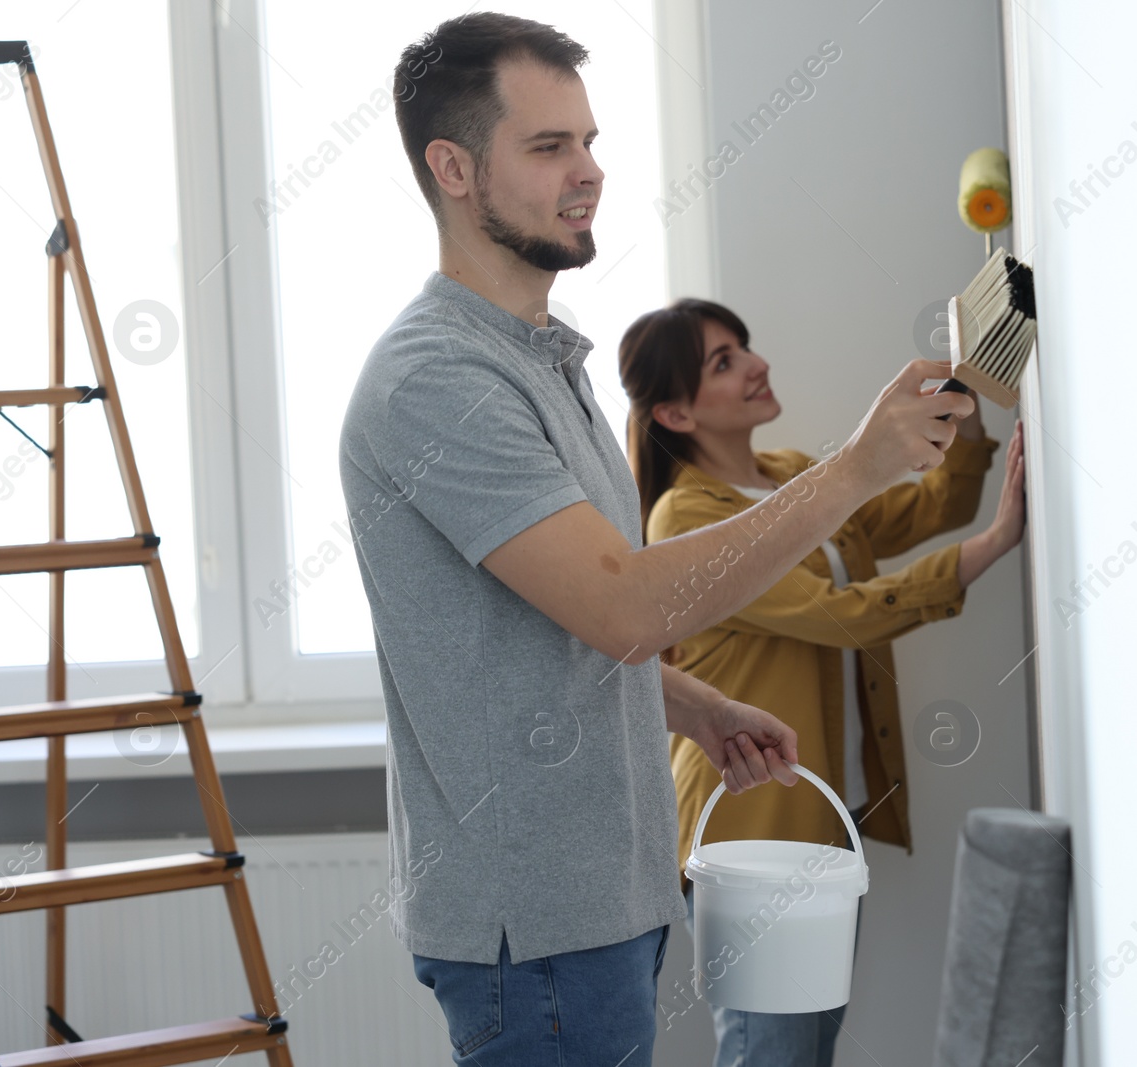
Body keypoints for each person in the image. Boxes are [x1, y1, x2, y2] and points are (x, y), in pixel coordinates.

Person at [336, 12, 978, 1067]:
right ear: (452, 167)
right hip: (536, 918)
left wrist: (693, 704)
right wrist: (856, 465)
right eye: (548, 148)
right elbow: (629, 605)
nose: (587, 172)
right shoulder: (438, 380)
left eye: (588, 141)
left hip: (606, 894)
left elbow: (568, 617)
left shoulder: (542, 359)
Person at [619, 299, 1026, 1066]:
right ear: (674, 411)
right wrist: (996, 543)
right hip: (749, 835)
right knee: (771, 1052)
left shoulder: (791, 475)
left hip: (820, 823)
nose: (754, 363)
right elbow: (847, 615)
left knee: (805, 1053)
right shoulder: (684, 519)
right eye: (723, 361)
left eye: (745, 346)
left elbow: (930, 503)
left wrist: (962, 394)